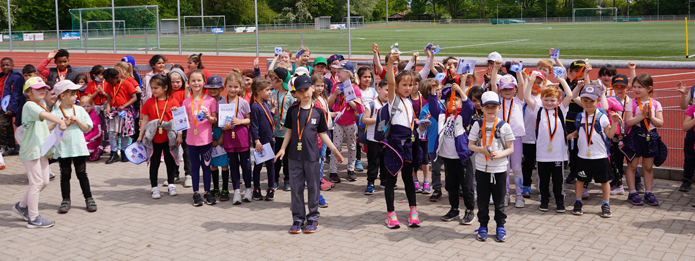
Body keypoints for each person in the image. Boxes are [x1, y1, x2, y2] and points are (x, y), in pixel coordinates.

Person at [275, 74, 344, 234]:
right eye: (301, 91)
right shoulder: (292, 110)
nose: (305, 93)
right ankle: (297, 219)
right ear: (296, 94)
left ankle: (313, 218)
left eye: (307, 89)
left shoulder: (318, 112)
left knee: (313, 188)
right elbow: (289, 132)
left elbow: (323, 134)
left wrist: (335, 150)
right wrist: (283, 148)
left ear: (312, 88)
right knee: (296, 188)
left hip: (313, 156)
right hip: (294, 156)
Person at [12, 77, 68, 228]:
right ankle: (34, 218)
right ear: (28, 92)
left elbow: (44, 127)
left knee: (44, 182)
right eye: (38, 88)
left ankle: (22, 206)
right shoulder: (30, 105)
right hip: (31, 150)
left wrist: (61, 123)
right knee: (36, 183)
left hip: (41, 149)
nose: (42, 90)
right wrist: (60, 121)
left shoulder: (39, 105)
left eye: (43, 88)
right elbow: (44, 116)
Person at [427, 77, 477, 225]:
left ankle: (469, 210)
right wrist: (432, 90)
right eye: (449, 100)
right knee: (451, 186)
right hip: (448, 158)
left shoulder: (463, 117)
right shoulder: (443, 116)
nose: (452, 102)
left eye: (456, 99)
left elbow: (469, 107)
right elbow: (433, 106)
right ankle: (454, 209)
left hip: (461, 159)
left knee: (466, 186)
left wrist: (461, 91)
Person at [468, 91, 515, 242]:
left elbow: (510, 148)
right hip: (482, 169)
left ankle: (500, 226)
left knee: (499, 200)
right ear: (482, 108)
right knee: (482, 200)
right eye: (487, 106)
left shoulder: (504, 126)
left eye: (493, 106)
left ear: (499, 107)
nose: (490, 109)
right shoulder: (477, 124)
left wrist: (499, 155)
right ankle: (483, 226)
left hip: (499, 169)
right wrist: (481, 150)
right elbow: (470, 145)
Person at [567, 84, 620, 217]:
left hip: (600, 156)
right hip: (583, 156)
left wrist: (614, 123)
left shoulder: (602, 116)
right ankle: (578, 202)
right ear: (581, 101)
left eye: (592, 101)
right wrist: (573, 135)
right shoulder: (579, 116)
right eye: (585, 100)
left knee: (604, 181)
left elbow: (610, 134)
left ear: (598, 101)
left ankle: (606, 204)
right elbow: (579, 131)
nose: (588, 103)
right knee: (580, 180)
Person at [524, 71, 573, 212]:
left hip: (558, 154)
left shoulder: (561, 110)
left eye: (553, 100)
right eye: (546, 100)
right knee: (543, 180)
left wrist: (561, 81)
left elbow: (569, 95)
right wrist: (530, 82)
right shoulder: (539, 110)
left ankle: (559, 201)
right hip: (542, 154)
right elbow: (527, 97)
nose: (549, 103)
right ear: (542, 99)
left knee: (558, 181)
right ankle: (544, 200)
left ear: (558, 101)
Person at [381, 52, 420, 229]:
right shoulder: (393, 98)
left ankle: (413, 210)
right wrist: (389, 64)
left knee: (409, 179)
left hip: (409, 144)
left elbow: (408, 121)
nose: (408, 87)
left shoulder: (409, 102)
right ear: (396, 86)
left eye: (410, 85)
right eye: (404, 84)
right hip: (394, 144)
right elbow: (389, 82)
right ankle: (390, 213)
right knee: (391, 180)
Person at [51, 80, 96, 213]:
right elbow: (49, 131)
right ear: (63, 96)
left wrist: (77, 120)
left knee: (82, 174)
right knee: (65, 175)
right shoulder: (54, 113)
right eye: (73, 94)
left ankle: (89, 198)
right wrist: (58, 124)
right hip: (63, 149)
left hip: (78, 148)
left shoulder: (80, 110)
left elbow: (87, 128)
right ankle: (65, 200)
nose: (76, 96)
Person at [137, 73, 182, 199]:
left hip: (169, 139)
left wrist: (179, 135)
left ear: (165, 88)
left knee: (170, 161)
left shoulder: (173, 102)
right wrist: (141, 135)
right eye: (152, 88)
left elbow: (179, 120)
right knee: (154, 162)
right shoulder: (149, 102)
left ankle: (171, 184)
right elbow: (145, 120)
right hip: (154, 139)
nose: (153, 90)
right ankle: (154, 187)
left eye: (156, 88)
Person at [623, 73, 664, 206]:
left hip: (650, 136)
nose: (636, 90)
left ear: (649, 88)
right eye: (634, 86)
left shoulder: (656, 104)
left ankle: (649, 193)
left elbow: (660, 123)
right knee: (632, 165)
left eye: (639, 87)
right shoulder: (631, 103)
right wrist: (642, 115)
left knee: (647, 167)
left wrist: (651, 116)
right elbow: (629, 122)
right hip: (635, 136)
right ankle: (632, 192)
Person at [179, 70, 218, 206]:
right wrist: (176, 114)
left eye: (199, 80)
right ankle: (196, 193)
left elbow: (214, 120)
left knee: (206, 167)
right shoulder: (185, 102)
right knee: (194, 167)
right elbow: (182, 122)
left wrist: (209, 117)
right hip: (191, 140)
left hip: (206, 140)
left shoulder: (210, 100)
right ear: (188, 83)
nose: (196, 83)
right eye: (193, 80)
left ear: (204, 82)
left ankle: (207, 192)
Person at [491, 62, 527, 208]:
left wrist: (518, 71)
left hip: (516, 138)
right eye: (504, 89)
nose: (507, 91)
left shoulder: (519, 100)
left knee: (517, 168)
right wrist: (494, 69)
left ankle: (519, 195)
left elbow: (522, 86)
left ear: (515, 90)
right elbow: (493, 85)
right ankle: (505, 194)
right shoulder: (497, 101)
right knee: (504, 168)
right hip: (500, 139)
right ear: (500, 90)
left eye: (510, 89)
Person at [327, 60, 363, 183]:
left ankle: (351, 169)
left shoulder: (355, 88)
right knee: (335, 146)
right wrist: (334, 95)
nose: (337, 74)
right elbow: (329, 105)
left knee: (352, 146)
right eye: (336, 72)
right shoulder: (335, 86)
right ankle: (333, 171)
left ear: (347, 73)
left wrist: (350, 99)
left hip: (351, 122)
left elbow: (358, 109)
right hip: (337, 122)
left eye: (339, 72)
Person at [220, 72, 253, 204]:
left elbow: (249, 120)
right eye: (230, 86)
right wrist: (225, 127)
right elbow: (221, 125)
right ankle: (236, 192)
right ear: (225, 87)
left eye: (235, 87)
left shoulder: (244, 102)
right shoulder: (222, 103)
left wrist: (240, 121)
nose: (232, 89)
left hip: (242, 138)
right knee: (233, 166)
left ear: (240, 88)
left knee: (245, 165)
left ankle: (248, 190)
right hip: (229, 138)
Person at [204, 75, 230, 200]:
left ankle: (225, 189)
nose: (212, 91)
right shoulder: (205, 102)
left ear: (222, 88)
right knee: (212, 163)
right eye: (210, 88)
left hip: (223, 134)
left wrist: (222, 137)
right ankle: (216, 188)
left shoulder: (225, 102)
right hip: (208, 136)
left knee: (224, 164)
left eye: (216, 88)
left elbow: (229, 121)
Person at [249, 78, 277, 201]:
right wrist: (256, 141)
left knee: (271, 165)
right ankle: (256, 188)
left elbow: (267, 119)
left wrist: (273, 110)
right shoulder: (255, 106)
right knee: (258, 165)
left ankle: (271, 188)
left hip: (270, 139)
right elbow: (254, 125)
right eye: (267, 90)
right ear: (258, 91)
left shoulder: (265, 103)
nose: (270, 92)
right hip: (261, 141)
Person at [103, 68, 137, 164]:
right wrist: (108, 108)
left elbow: (134, 97)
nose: (110, 83)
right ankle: (114, 153)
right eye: (108, 82)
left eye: (111, 81)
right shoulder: (109, 85)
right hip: (114, 111)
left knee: (124, 134)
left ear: (117, 77)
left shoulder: (127, 84)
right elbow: (109, 97)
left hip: (125, 111)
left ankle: (124, 152)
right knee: (112, 132)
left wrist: (124, 106)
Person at [269, 67, 296, 190]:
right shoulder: (272, 95)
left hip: (287, 133)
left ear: (279, 81)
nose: (271, 83)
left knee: (287, 158)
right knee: (275, 158)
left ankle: (287, 178)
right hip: (275, 133)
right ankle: (274, 179)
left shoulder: (291, 95)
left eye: (272, 81)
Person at [361, 79, 388, 195]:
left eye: (392, 90)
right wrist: (378, 120)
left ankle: (384, 180)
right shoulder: (372, 104)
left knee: (385, 161)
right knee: (373, 162)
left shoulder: (392, 104)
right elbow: (364, 119)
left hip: (387, 139)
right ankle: (370, 182)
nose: (389, 92)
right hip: (373, 139)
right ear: (379, 89)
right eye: (387, 90)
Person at [311, 74, 333, 206]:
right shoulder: (312, 101)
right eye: (317, 85)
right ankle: (314, 194)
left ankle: (317, 192)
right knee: (315, 165)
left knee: (320, 163)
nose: (319, 88)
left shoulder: (323, 97)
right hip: (317, 136)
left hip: (325, 132)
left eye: (321, 85)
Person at [169, 68, 192, 187]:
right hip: (171, 124)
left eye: (178, 81)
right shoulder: (168, 92)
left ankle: (188, 175)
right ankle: (174, 175)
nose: (175, 84)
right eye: (172, 82)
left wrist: (187, 88)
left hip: (184, 123)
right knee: (174, 150)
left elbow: (188, 102)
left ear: (183, 81)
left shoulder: (185, 91)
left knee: (187, 151)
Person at [0, 57, 25, 156]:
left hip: (8, 107)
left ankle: (2, 145)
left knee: (1, 125)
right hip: (1, 106)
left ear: (12, 66)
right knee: (8, 126)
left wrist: (11, 108)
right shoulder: (1, 76)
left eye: (7, 65)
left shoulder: (16, 77)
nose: (5, 67)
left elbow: (16, 94)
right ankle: (11, 146)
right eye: (3, 65)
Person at [80, 97, 103, 161]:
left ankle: (97, 150)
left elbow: (98, 132)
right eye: (83, 106)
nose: (86, 108)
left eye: (88, 106)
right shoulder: (78, 116)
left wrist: (86, 139)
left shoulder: (95, 117)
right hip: (82, 138)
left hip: (93, 140)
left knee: (83, 148)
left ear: (92, 106)